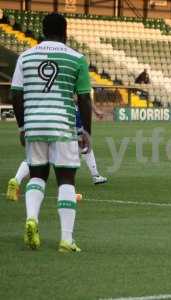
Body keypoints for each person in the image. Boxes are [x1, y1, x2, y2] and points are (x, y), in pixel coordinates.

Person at [9, 13, 92, 252]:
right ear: (65, 32)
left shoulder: (25, 57)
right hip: (62, 125)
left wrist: (22, 126)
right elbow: (84, 98)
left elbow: (15, 94)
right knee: (66, 179)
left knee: (37, 176)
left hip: (34, 124)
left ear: (43, 31)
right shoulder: (77, 58)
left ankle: (31, 219)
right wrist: (85, 130)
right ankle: (66, 239)